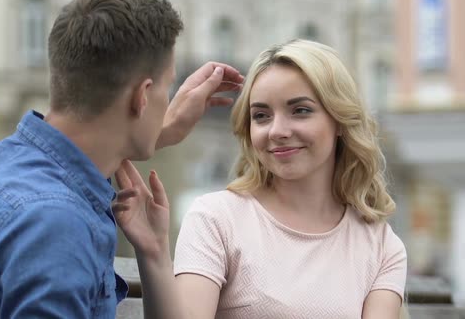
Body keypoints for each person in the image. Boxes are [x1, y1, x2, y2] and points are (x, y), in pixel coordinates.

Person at [0, 0, 244, 317]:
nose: (168, 101)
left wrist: (158, 131)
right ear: (143, 96)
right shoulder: (55, 226)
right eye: (167, 87)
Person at [114, 39, 407, 318]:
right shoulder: (216, 218)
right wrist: (153, 252)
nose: (277, 130)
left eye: (300, 111)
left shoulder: (381, 245)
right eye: (262, 116)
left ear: (340, 121)